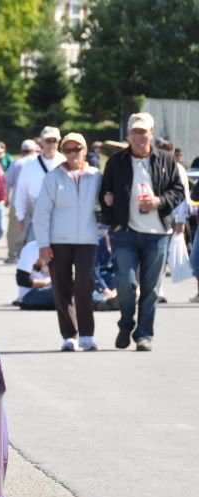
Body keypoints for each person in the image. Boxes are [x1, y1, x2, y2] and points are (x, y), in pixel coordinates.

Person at [100, 112, 184, 351]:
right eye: (135, 132)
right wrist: (112, 221)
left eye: (143, 132)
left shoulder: (166, 160)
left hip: (157, 235)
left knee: (151, 288)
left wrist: (158, 202)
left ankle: (144, 334)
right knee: (125, 283)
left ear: (152, 134)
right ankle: (126, 323)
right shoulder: (116, 162)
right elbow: (104, 194)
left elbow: (178, 190)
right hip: (125, 233)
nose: (139, 137)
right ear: (128, 135)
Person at [33, 132, 103, 351]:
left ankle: (87, 335)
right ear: (63, 152)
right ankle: (69, 335)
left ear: (85, 151)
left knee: (84, 286)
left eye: (77, 149)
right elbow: (41, 213)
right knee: (61, 287)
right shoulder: (53, 177)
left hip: (87, 239)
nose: (73, 154)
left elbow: (104, 206)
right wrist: (44, 245)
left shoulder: (95, 175)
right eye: (68, 149)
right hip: (58, 240)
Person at [14, 126, 65, 254]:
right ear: (41, 142)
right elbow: (21, 191)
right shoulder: (30, 165)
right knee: (34, 253)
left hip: (61, 214)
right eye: (48, 141)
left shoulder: (64, 162)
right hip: (36, 215)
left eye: (54, 141)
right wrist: (20, 216)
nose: (51, 144)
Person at [4, 139, 38, 263]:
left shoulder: (17, 163)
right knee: (32, 230)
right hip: (35, 203)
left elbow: (7, 183)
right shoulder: (37, 162)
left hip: (17, 202)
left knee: (14, 229)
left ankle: (12, 255)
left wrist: (6, 198)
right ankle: (27, 255)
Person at [14, 240, 54, 310]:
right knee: (67, 294)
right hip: (31, 293)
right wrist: (47, 282)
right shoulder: (31, 248)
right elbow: (22, 280)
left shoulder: (63, 247)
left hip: (53, 289)